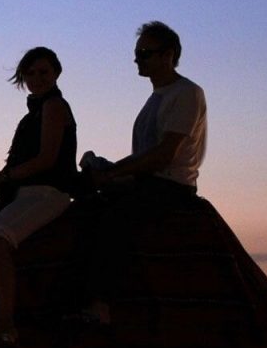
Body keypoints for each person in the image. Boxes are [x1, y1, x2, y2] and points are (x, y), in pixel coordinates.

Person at [77, 21, 206, 323]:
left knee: (111, 221)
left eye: (145, 53)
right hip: (146, 181)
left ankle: (102, 305)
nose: (137, 59)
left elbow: (164, 155)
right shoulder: (156, 98)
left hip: (170, 187)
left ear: (168, 55)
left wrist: (111, 173)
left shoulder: (186, 93)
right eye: (137, 54)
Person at [0, 47, 79, 345]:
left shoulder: (54, 107)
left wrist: (3, 177)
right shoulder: (33, 114)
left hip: (47, 194)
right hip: (25, 194)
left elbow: (46, 159)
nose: (37, 78)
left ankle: (6, 323)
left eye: (43, 72)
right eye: (31, 73)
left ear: (56, 73)